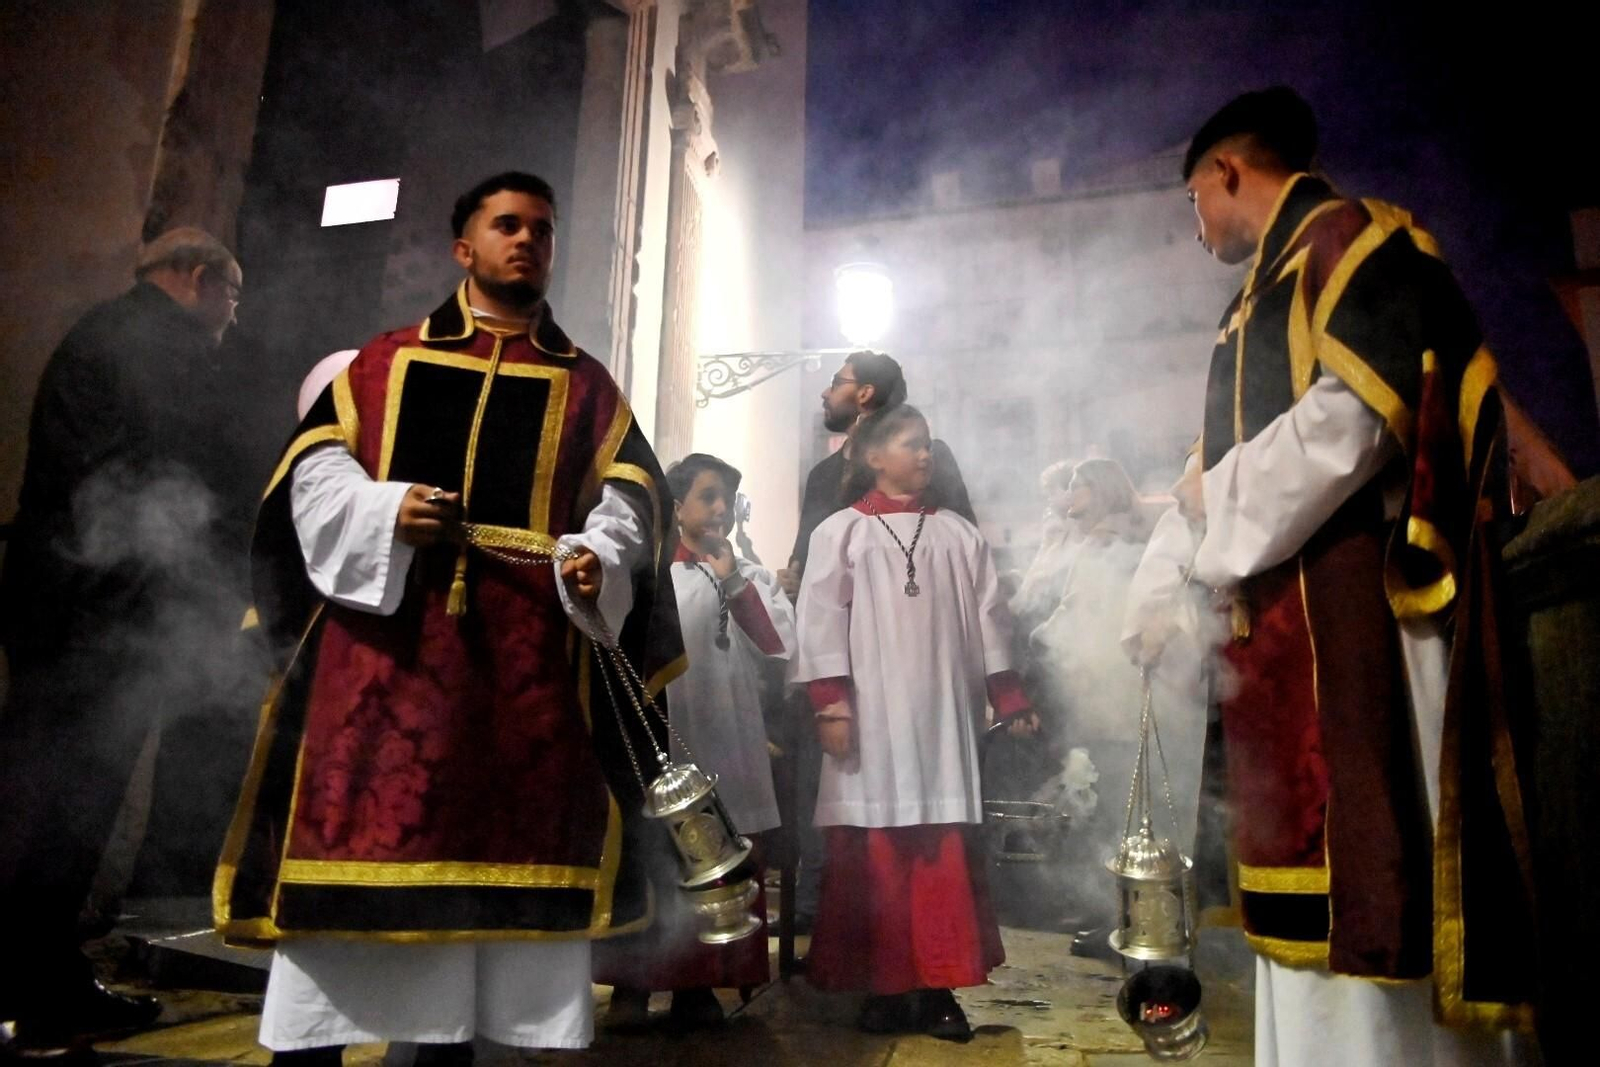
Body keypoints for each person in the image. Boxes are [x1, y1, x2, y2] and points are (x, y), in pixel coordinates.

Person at [213, 171, 684, 1064]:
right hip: (383, 658)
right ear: (464, 248)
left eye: (542, 228)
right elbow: (314, 471)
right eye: (507, 225)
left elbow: (631, 494)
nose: (528, 239)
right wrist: (384, 509)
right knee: (354, 850)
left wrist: (600, 550)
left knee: (495, 882)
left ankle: (448, 1052)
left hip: (525, 671)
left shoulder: (586, 385)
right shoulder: (383, 362)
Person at [1128, 87, 1536, 1065]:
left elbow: (1354, 420)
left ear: (1226, 170)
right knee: (1303, 942)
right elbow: (1222, 464)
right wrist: (1183, 547)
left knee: (1377, 877)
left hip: (1364, 632)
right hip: (1287, 633)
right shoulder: (1256, 297)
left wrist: (1213, 503)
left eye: (1193, 201)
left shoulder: (1351, 243)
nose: (1195, 226)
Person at [0, 228, 248, 1047]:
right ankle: (37, 985)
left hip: (63, 606)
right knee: (63, 809)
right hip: (102, 620)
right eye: (232, 296)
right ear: (198, 277)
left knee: (45, 801)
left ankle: (38, 977)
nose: (232, 316)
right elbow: (175, 485)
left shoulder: (100, 331)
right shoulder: (159, 344)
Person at [792, 404, 1037, 1042]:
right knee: (874, 852)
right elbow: (819, 620)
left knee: (938, 849)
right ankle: (883, 986)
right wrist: (830, 702)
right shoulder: (841, 533)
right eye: (910, 444)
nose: (925, 454)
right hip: (869, 718)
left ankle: (937, 989)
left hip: (941, 717)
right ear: (874, 457)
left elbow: (991, 617)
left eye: (927, 444)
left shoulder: (958, 534)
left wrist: (1008, 695)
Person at [775, 350, 975, 934]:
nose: (825, 392)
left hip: (917, 657)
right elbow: (811, 549)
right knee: (836, 783)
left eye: (836, 382)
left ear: (863, 393)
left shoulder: (933, 466)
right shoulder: (825, 474)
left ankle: (918, 932)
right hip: (844, 657)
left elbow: (955, 548)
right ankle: (824, 907)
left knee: (921, 795)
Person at [598, 453, 795, 1029]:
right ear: (676, 506)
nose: (720, 510)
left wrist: (733, 580)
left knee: (714, 859)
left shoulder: (747, 575)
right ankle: (634, 984)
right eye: (708, 497)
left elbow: (780, 645)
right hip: (661, 738)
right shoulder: (647, 573)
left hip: (725, 739)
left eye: (727, 500)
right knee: (652, 857)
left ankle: (699, 986)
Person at [1029, 458, 1150, 954]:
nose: (1070, 494)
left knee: (1114, 804)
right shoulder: (1111, 538)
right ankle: (1113, 912)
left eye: (1078, 486)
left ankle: (1118, 919)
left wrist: (1036, 636)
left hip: (1110, 690)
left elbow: (1077, 608)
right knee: (1112, 801)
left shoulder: (1107, 542)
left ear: (1101, 491)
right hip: (1108, 688)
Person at [1009, 459, 1083, 634]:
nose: (1049, 499)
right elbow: (1041, 561)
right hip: (1044, 601)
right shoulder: (1055, 523)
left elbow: (1056, 568)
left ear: (1069, 492)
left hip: (1061, 605)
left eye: (1052, 492)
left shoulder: (1080, 525)